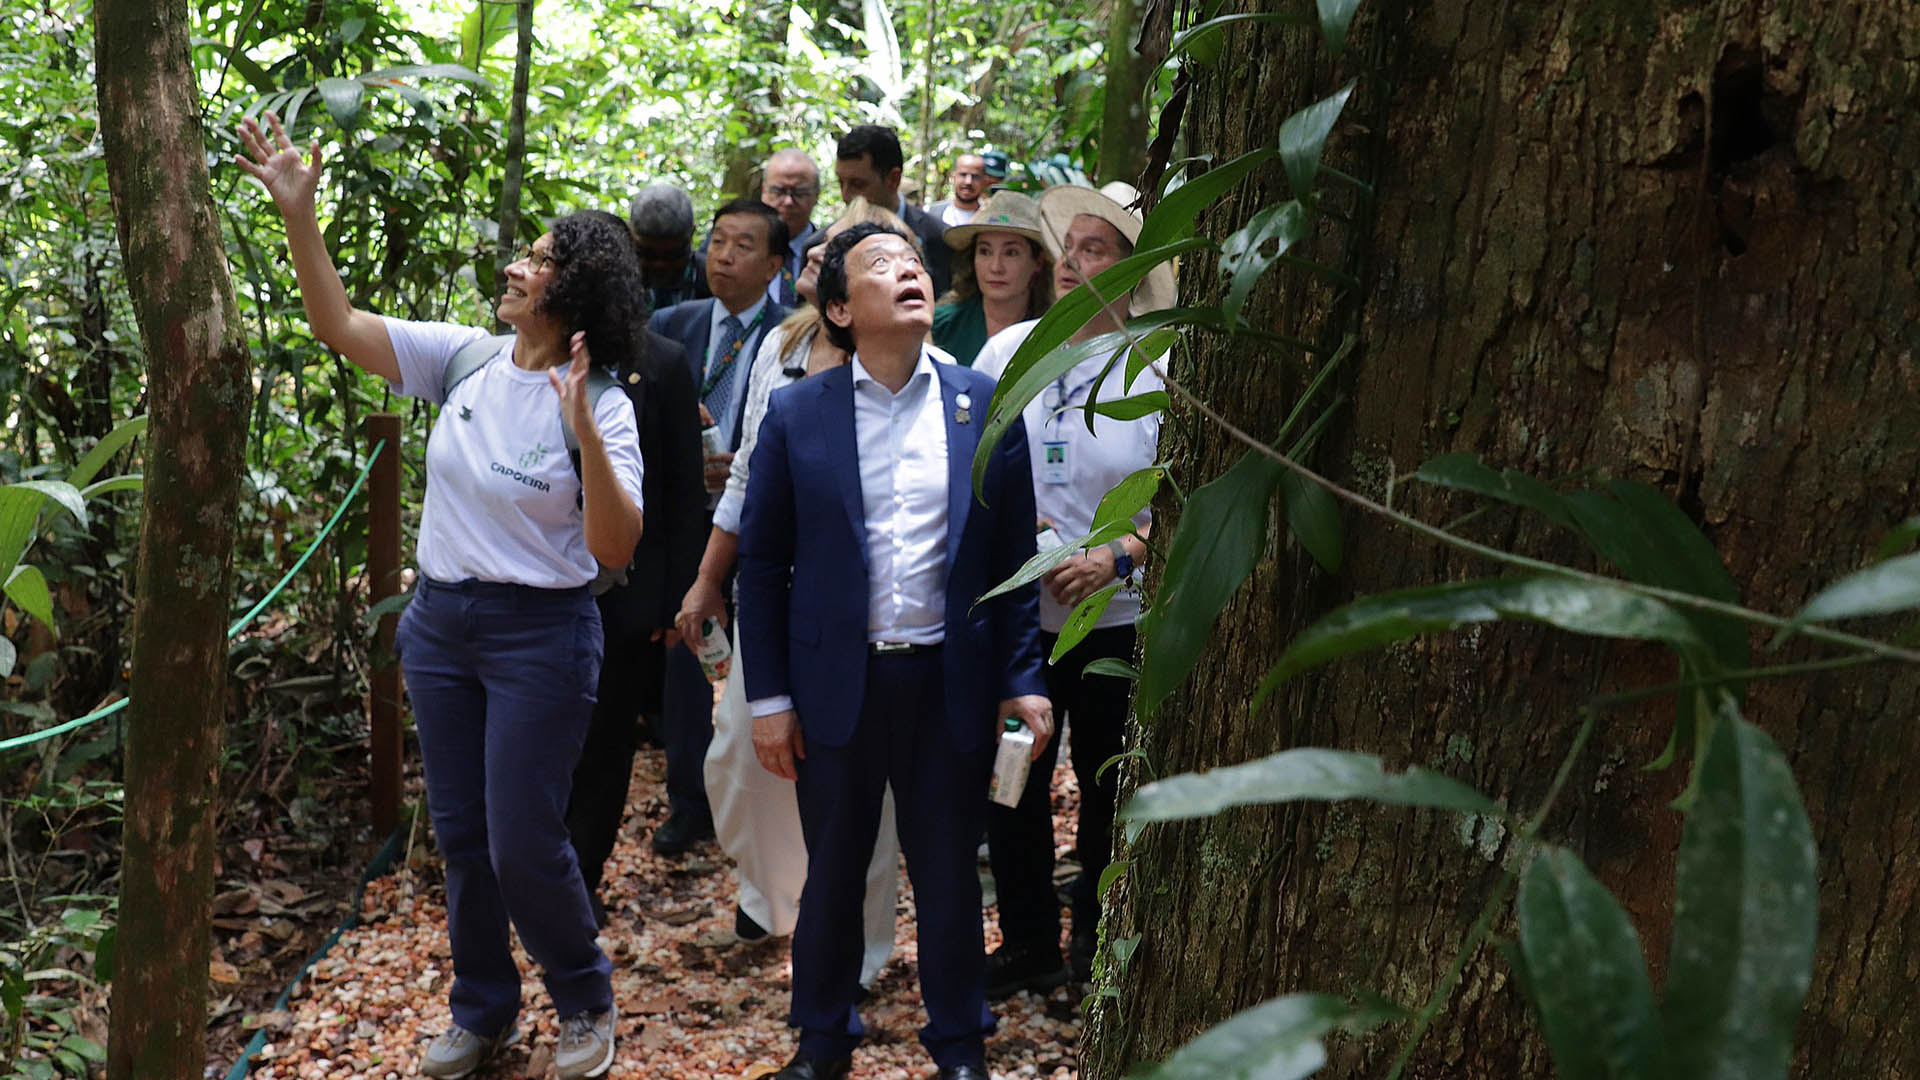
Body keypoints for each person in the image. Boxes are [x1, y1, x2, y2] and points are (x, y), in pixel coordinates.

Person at [236, 114, 643, 1080]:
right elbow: (338, 327)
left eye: (536, 260)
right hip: (442, 627)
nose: (514, 267)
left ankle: (585, 999)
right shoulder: (464, 358)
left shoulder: (605, 404)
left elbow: (613, 547)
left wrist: (585, 431)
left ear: (573, 291)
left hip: (542, 634)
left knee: (521, 838)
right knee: (462, 834)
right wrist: (299, 215)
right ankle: (483, 1009)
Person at [736, 222, 1052, 1080]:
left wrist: (1023, 678)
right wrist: (770, 700)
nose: (910, 271)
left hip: (950, 678)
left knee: (947, 874)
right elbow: (762, 566)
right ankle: (821, 1041)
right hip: (835, 682)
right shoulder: (798, 412)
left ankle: (959, 1045)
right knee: (835, 870)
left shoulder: (983, 403)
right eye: (883, 265)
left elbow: (1011, 560)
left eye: (915, 262)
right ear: (840, 309)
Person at [683, 198, 942, 981]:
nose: (830, 255)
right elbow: (748, 475)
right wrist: (708, 578)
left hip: (870, 617)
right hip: (778, 598)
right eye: (839, 248)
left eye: (891, 255)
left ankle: (859, 951)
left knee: (868, 795)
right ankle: (770, 895)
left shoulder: (927, 371)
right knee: (739, 750)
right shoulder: (782, 345)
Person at [970, 181, 1174, 998]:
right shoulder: (1007, 353)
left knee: (1104, 781)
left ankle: (1094, 937)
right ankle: (1027, 940)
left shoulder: (1160, 362)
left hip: (1115, 618)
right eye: (1070, 246)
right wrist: (1016, 536)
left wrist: (1118, 556)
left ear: (1130, 270)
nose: (1072, 261)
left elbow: (1180, 491)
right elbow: (972, 464)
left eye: (1096, 249)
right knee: (1010, 780)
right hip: (1022, 621)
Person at [564, 223, 708, 927]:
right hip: (537, 586)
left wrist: (672, 600)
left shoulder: (663, 361)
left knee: (604, 741)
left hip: (623, 594)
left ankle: (580, 876)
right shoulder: (524, 356)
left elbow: (682, 490)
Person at [646, 198, 791, 855]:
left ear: (775, 265)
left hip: (762, 524)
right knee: (687, 661)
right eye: (718, 242)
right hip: (687, 523)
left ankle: (761, 799)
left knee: (760, 660)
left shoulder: (795, 335)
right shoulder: (671, 326)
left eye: (742, 245)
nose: (723, 257)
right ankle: (690, 802)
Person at [930, 190, 1054, 367]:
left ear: (1038, 263)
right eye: (985, 251)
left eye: (1011, 253)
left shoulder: (1054, 332)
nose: (996, 267)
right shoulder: (941, 324)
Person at [833, 124, 951, 297]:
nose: (845, 195)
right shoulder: (823, 245)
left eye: (858, 184)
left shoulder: (939, 239)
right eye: (840, 183)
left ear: (893, 179)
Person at [629, 183, 710, 310]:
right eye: (648, 254)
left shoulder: (713, 282)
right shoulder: (614, 279)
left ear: (691, 234)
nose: (659, 265)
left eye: (672, 255)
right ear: (631, 235)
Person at [761, 148, 822, 306]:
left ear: (816, 195)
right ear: (764, 192)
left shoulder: (826, 252)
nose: (788, 202)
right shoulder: (738, 247)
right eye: (778, 191)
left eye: (799, 193)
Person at [925, 152, 991, 228]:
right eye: (963, 174)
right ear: (953, 176)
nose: (968, 181)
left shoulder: (991, 218)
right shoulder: (931, 213)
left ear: (984, 181)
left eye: (975, 176)